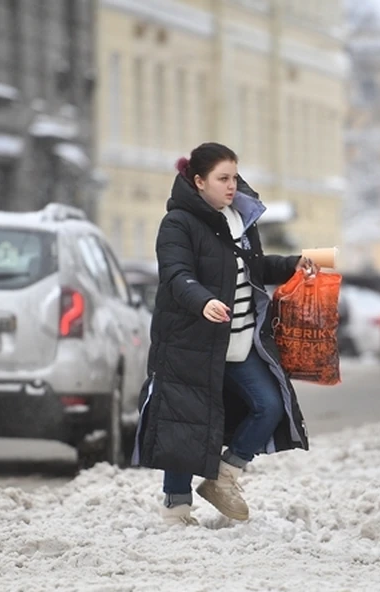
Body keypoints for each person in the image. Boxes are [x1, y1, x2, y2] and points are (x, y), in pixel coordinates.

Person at [132, 142, 316, 526]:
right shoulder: (178, 224)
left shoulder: (239, 219)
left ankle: (225, 475)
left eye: (234, 177)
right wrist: (202, 301)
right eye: (222, 179)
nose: (232, 186)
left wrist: (292, 264)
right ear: (199, 182)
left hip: (241, 340)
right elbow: (177, 274)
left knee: (269, 404)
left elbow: (254, 267)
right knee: (187, 422)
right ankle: (176, 509)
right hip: (191, 342)